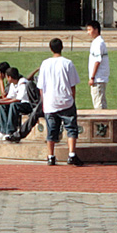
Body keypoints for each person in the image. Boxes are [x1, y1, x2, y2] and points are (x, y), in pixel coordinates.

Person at [36, 37, 81, 165]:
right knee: (71, 128)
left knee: (51, 130)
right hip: (65, 100)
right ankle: (71, 154)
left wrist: (44, 101)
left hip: (50, 102)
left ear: (50, 48)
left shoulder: (45, 64)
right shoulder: (68, 63)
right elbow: (73, 85)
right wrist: (72, 99)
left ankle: (51, 156)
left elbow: (41, 86)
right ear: (62, 47)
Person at [87, 21, 111, 110]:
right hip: (99, 77)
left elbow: (97, 61)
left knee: (98, 104)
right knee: (101, 102)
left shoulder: (98, 43)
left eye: (90, 30)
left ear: (96, 30)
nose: (88, 32)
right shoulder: (97, 42)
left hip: (98, 78)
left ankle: (101, 122)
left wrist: (92, 77)